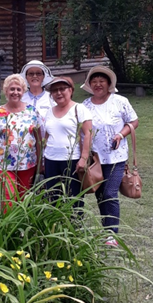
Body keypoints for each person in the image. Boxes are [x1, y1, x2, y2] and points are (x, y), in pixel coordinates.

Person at [81, 65, 139, 246]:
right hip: (95, 159)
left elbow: (134, 121)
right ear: (90, 85)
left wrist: (121, 135)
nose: (98, 84)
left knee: (110, 192)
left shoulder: (119, 101)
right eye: (94, 82)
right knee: (99, 194)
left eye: (102, 81)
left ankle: (112, 234)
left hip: (116, 156)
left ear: (108, 84)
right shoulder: (85, 105)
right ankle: (106, 230)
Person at [0, 74, 42, 212]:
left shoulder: (32, 111)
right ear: (6, 91)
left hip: (28, 163)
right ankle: (8, 230)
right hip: (5, 164)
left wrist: (40, 162)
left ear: (23, 91)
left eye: (18, 89)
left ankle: (22, 231)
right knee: (9, 198)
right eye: (12, 89)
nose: (15, 92)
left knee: (25, 198)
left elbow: (38, 140)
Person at [43, 76, 92, 208]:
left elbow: (88, 134)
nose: (58, 93)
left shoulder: (79, 109)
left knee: (74, 197)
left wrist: (83, 158)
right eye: (54, 90)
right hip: (51, 159)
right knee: (53, 197)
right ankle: (56, 226)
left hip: (72, 160)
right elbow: (47, 135)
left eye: (62, 89)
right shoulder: (49, 111)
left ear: (70, 90)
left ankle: (74, 225)